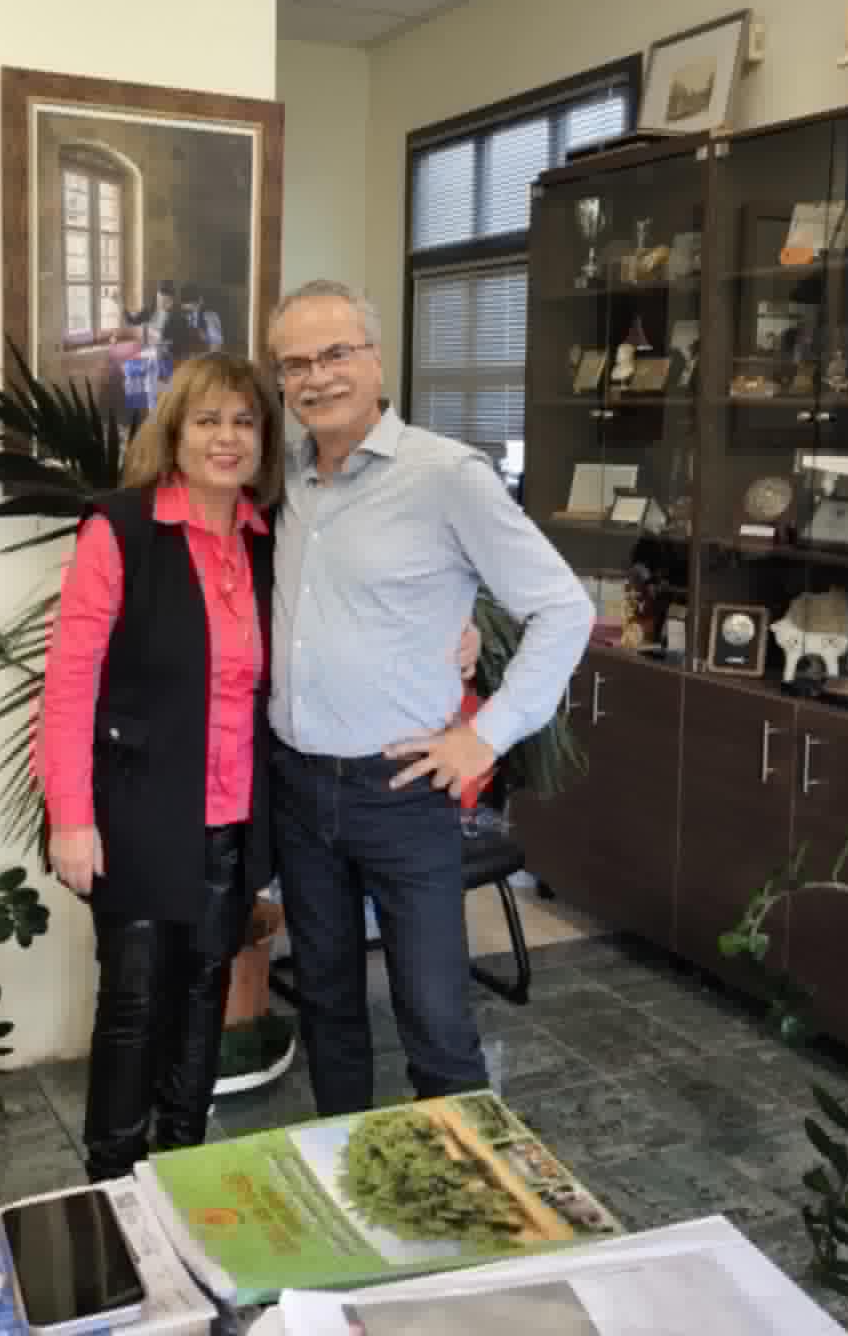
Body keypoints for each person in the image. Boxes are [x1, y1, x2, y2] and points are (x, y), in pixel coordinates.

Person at [267, 279, 593, 1117]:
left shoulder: (446, 476)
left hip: (402, 792)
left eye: (335, 354)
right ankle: (344, 1166)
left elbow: (564, 608)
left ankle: (463, 1189)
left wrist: (487, 734)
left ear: (376, 360)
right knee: (328, 1009)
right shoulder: (284, 482)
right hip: (297, 787)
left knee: (437, 1025)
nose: (316, 377)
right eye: (295, 364)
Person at [38, 351, 284, 1181]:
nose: (226, 438)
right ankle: (113, 1184)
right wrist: (72, 818)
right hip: (138, 808)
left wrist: (456, 636)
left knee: (204, 993)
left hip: (233, 815)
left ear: (264, 439)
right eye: (207, 420)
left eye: (244, 421)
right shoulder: (121, 529)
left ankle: (182, 1172)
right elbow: (70, 683)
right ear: (174, 432)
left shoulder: (267, 540)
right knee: (135, 1004)